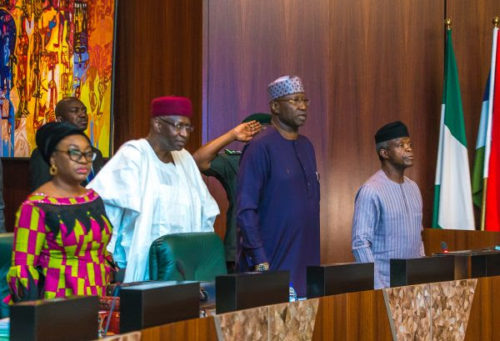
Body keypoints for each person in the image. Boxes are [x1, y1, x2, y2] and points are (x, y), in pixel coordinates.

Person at [88, 96, 219, 283]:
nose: (184, 134)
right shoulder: (134, 155)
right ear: (158, 124)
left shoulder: (185, 160)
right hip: (141, 264)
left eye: (188, 127)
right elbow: (107, 210)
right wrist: (109, 260)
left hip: (182, 267)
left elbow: (205, 212)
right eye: (178, 126)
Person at [6, 122, 113, 302]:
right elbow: (23, 270)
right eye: (74, 153)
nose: (84, 160)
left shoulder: (93, 198)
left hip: (97, 302)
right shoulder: (36, 206)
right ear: (54, 159)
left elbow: (103, 253)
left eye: (88, 154)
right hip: (56, 306)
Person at [237, 76, 320, 297]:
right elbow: (245, 210)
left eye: (304, 100)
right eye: (294, 100)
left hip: (306, 259)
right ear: (275, 106)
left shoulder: (307, 146)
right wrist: (259, 259)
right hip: (272, 262)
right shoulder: (259, 147)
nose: (302, 106)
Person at [351, 121, 425, 289]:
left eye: (409, 144)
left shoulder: (413, 188)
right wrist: (379, 287)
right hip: (383, 288)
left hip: (414, 288)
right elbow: (360, 244)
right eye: (400, 145)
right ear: (384, 153)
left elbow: (418, 239)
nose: (408, 148)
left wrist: (421, 279)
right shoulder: (371, 191)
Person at [193, 114, 268, 271]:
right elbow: (197, 161)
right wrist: (232, 135)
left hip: (276, 249)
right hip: (240, 254)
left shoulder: (287, 167)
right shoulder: (236, 162)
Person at [29, 97, 105, 191]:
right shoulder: (45, 154)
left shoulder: (96, 153)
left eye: (84, 110)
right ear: (60, 119)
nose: (83, 115)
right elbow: (41, 193)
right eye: (75, 111)